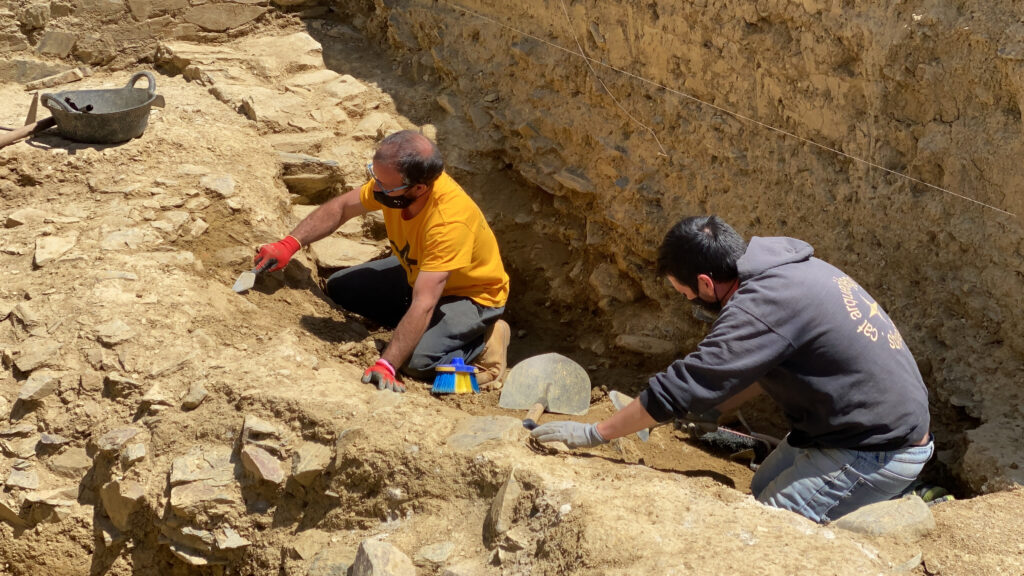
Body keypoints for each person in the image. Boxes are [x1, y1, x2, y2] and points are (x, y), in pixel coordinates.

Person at [530, 215, 933, 524]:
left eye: (684, 292)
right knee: (758, 486)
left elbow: (682, 385)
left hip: (877, 447)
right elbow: (767, 362)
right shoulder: (785, 269)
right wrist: (710, 412)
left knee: (765, 527)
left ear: (706, 283)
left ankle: (887, 503)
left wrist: (594, 433)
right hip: (859, 424)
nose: (686, 299)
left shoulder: (760, 308)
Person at [254, 130, 511, 393]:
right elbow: (342, 207)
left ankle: (486, 340)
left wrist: (387, 364)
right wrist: (289, 244)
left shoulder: (449, 221)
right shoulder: (395, 184)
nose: (375, 188)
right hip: (420, 273)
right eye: (374, 176)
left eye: (384, 185)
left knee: (416, 363)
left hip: (471, 296)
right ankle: (419, 329)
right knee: (341, 287)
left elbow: (425, 302)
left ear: (419, 188)